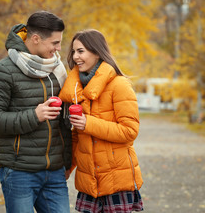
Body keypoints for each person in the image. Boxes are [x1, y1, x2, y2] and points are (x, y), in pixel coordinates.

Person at [0, 11, 72, 213]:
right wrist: (34, 116)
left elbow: (63, 123)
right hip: (19, 171)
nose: (58, 49)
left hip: (54, 171)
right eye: (55, 43)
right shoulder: (3, 71)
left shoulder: (56, 69)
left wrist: (66, 160)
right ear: (36, 39)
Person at [59, 29, 144, 213]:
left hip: (117, 181)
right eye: (73, 52)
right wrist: (68, 167)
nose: (75, 57)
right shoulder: (78, 89)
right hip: (89, 182)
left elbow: (130, 131)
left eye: (80, 51)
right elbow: (78, 136)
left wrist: (88, 123)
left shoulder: (119, 85)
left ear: (96, 51)